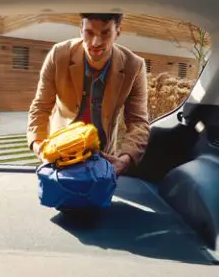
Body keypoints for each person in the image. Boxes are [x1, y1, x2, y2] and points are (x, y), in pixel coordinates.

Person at [27, 13, 149, 176]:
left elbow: (138, 122)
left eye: (105, 33)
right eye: (89, 32)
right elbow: (40, 108)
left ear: (118, 32)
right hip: (60, 155)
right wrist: (40, 147)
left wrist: (125, 160)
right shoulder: (58, 55)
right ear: (80, 30)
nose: (95, 42)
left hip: (104, 158)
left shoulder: (134, 66)